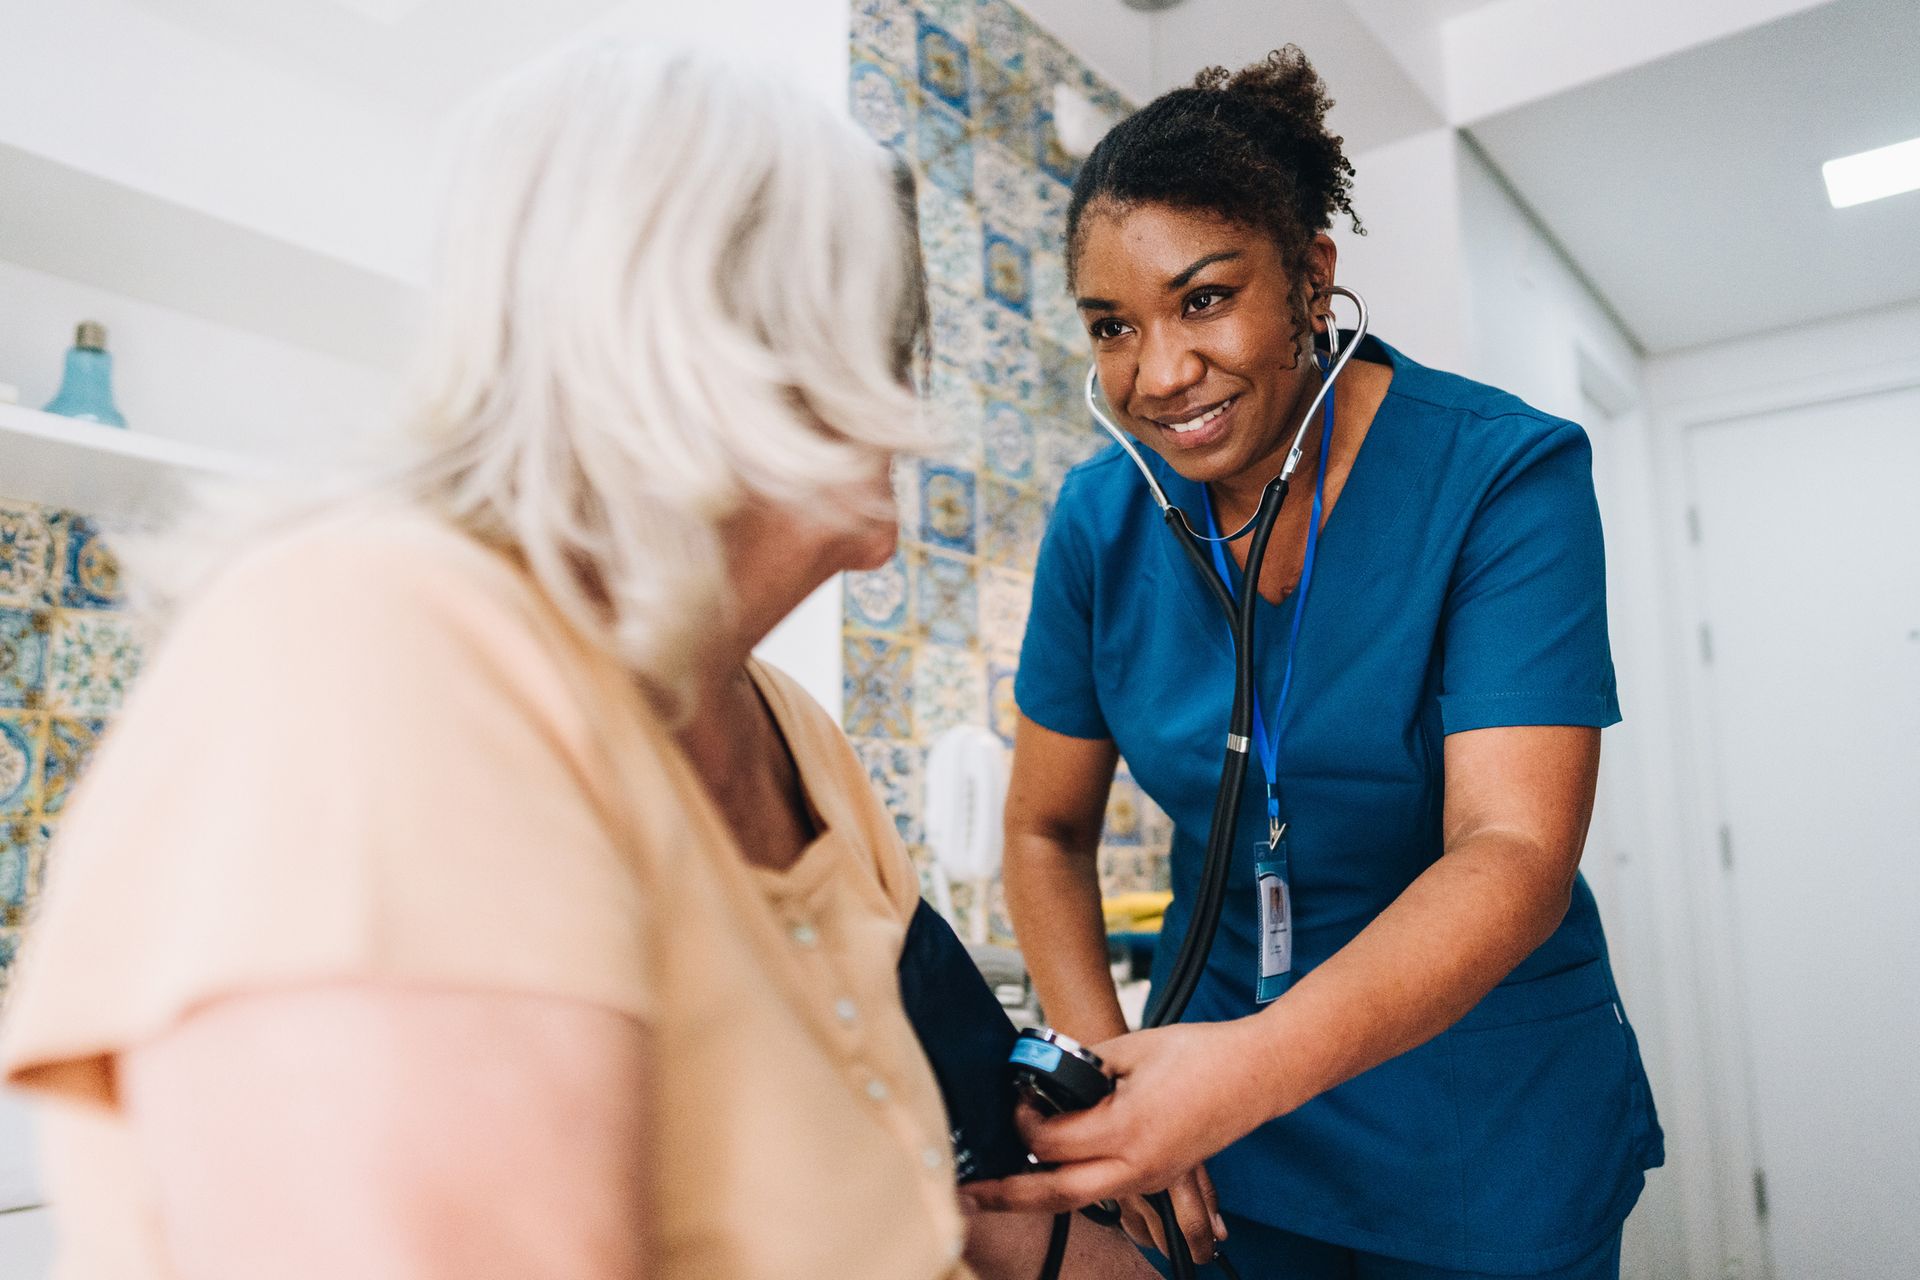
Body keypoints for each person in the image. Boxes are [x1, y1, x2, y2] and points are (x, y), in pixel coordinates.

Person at [0, 42, 1154, 1280]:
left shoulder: (785, 726)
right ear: (724, 335)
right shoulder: (381, 650)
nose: (905, 381)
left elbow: (914, 1198)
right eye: (877, 322)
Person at [964, 47, 1663, 1280]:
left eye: (1204, 298)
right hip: (1210, 1150)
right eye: (1113, 326)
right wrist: (1110, 1087)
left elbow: (1515, 850)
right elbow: (1044, 832)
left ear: (1310, 279)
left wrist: (1234, 1076)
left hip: (1475, 1128)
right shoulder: (1099, 519)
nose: (1160, 371)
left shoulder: (1502, 476)